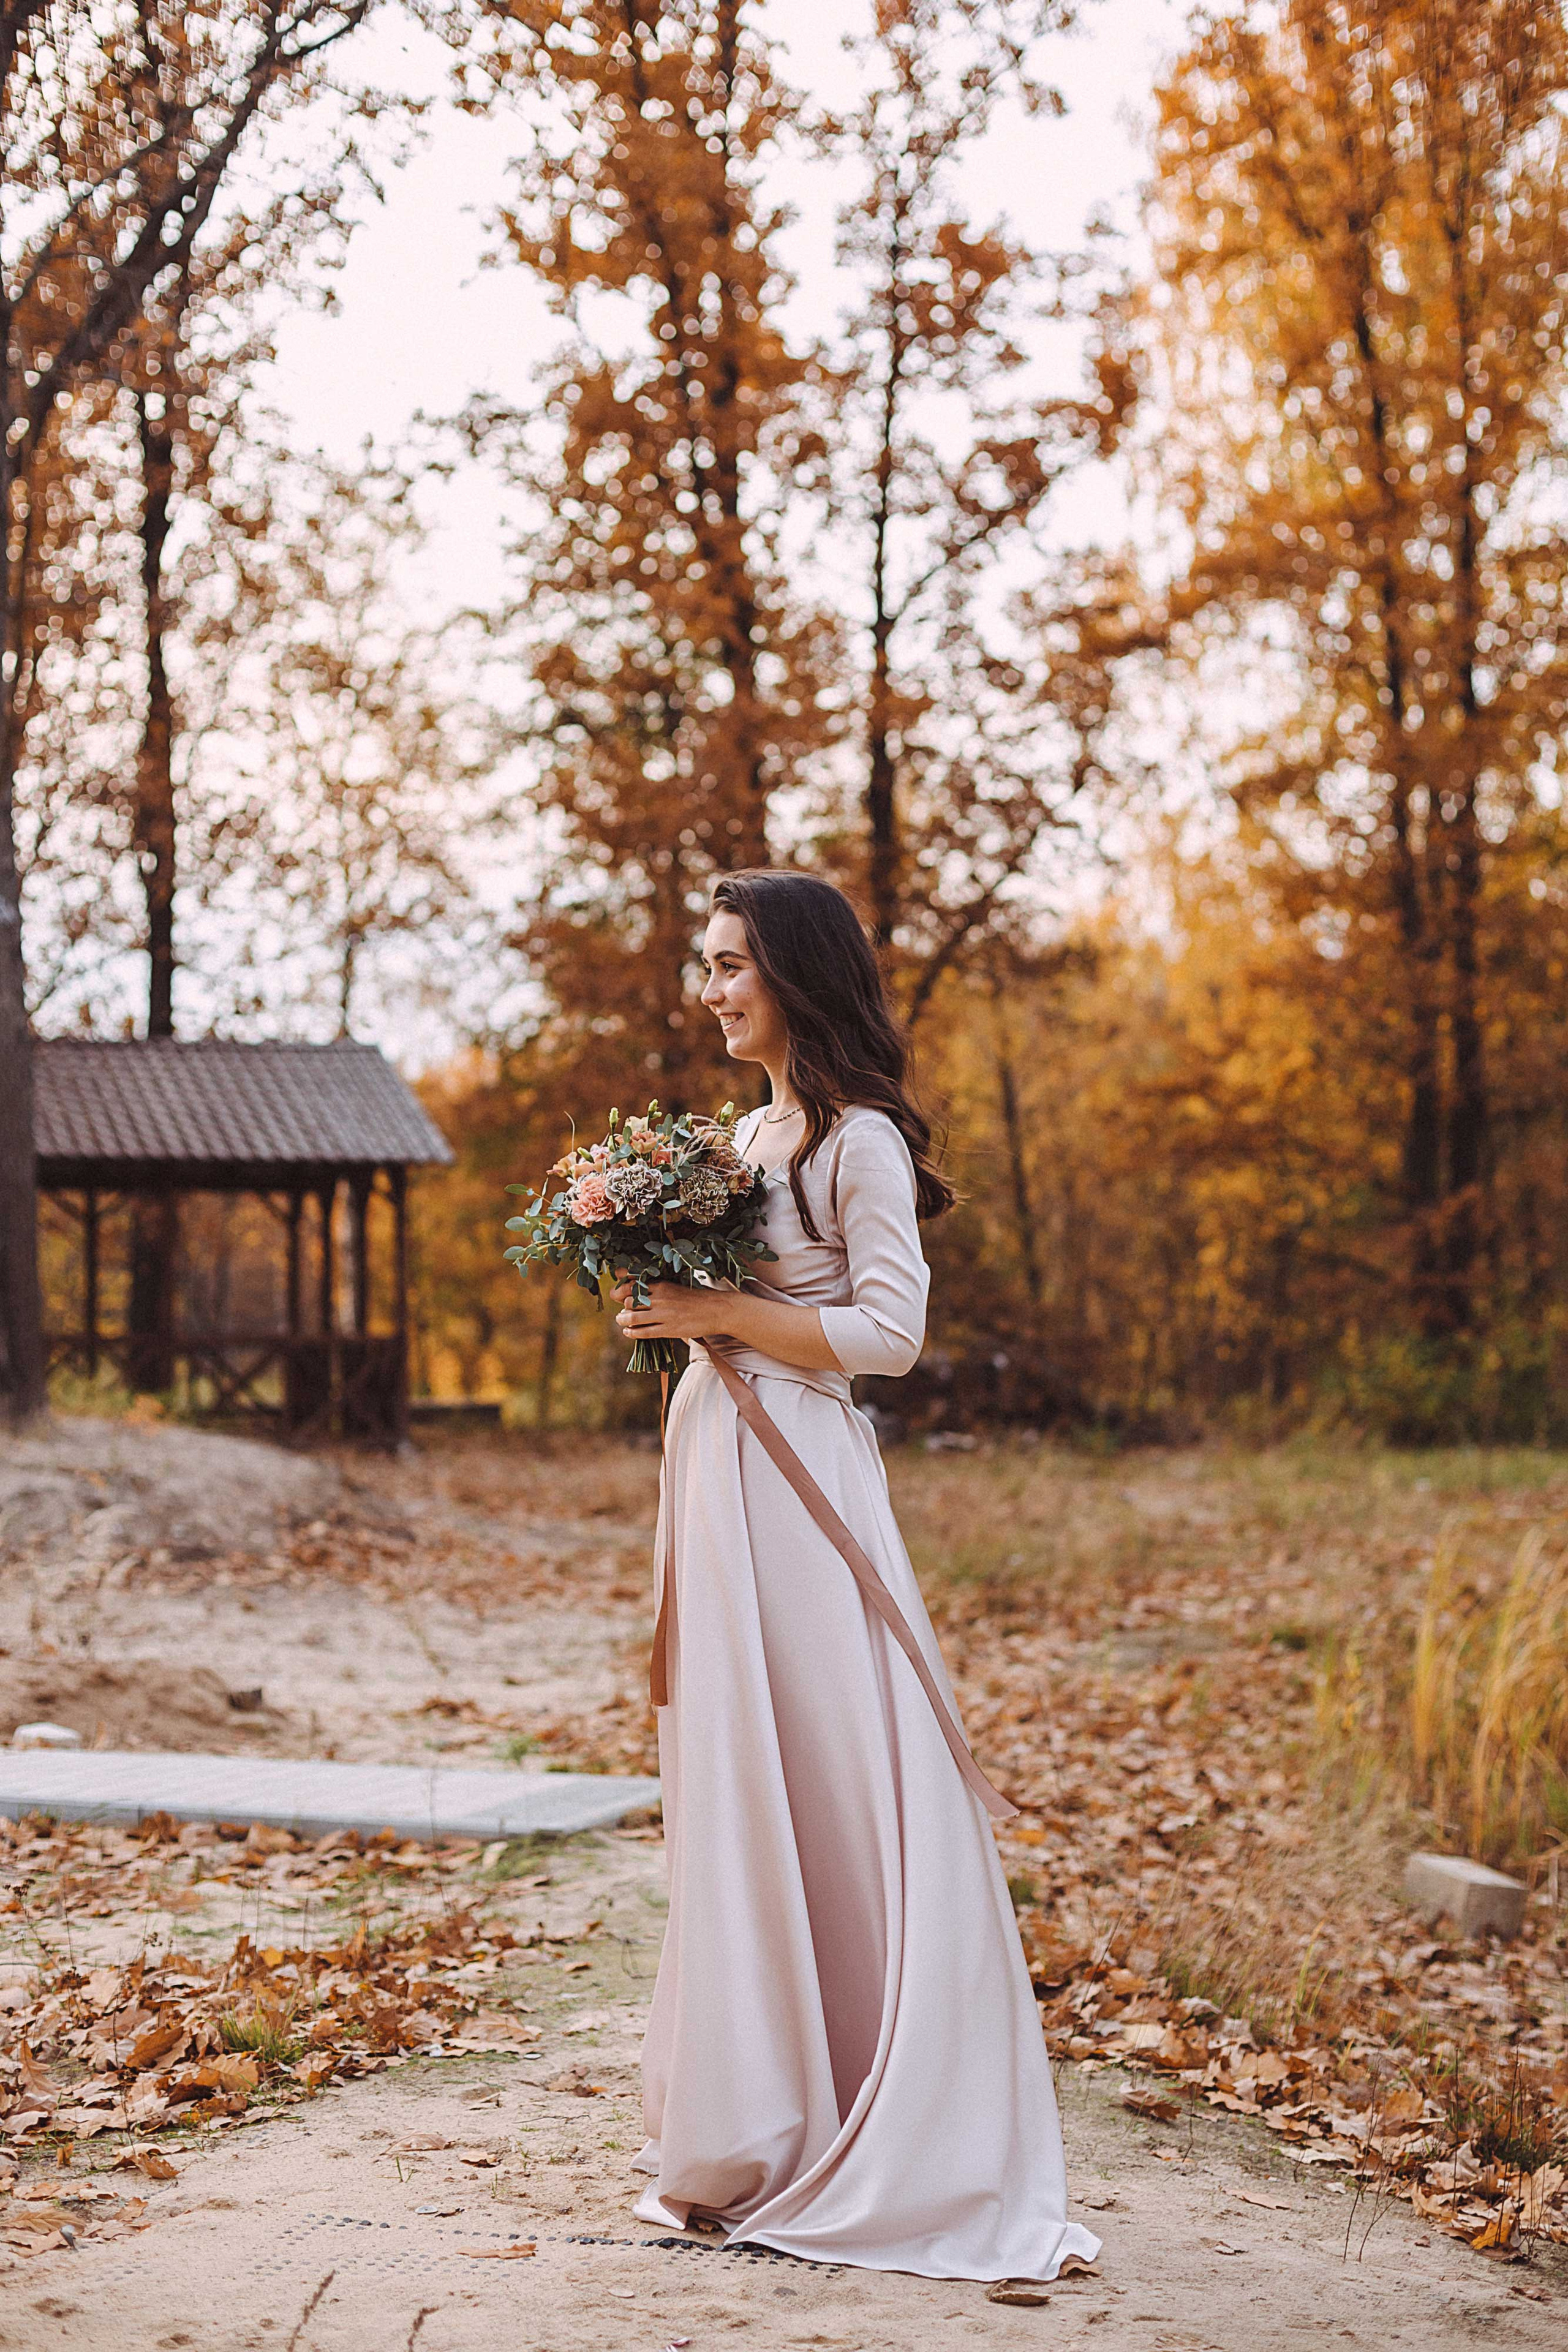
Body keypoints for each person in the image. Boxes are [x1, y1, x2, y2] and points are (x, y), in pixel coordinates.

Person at [611, 868, 1100, 2283]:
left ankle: (893, 2122)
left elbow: (886, 1333)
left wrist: (715, 1307)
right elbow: (744, 1311)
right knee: (738, 1774)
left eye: (729, 966)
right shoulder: (741, 1134)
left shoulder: (855, 1141)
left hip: (802, 1483)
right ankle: (762, 2112)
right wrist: (661, 1301)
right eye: (703, 965)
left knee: (828, 1764)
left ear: (797, 976)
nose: (709, 990)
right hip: (715, 1471)